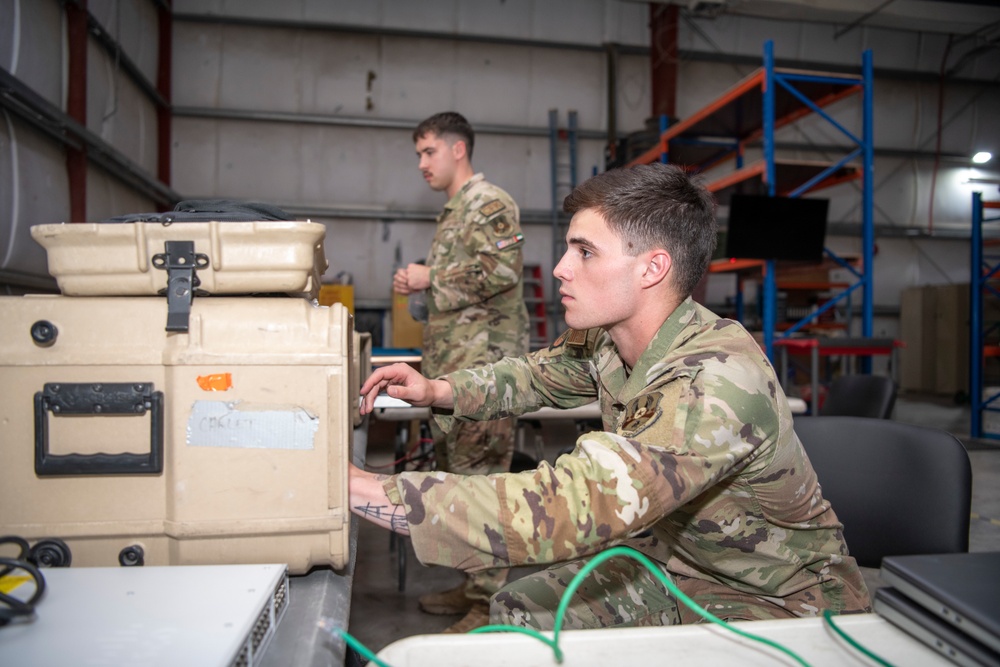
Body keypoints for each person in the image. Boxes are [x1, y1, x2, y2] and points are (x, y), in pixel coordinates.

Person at [355, 163, 871, 631]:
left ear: (652, 268)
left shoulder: (715, 382)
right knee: (523, 609)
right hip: (678, 562)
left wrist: (366, 489)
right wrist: (439, 388)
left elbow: (571, 506)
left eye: (584, 251)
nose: (560, 267)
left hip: (778, 600)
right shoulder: (609, 338)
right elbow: (536, 375)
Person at [391, 111, 529, 632]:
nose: (422, 164)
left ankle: (490, 606)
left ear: (457, 150)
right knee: (459, 482)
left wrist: (431, 276)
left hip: (485, 372)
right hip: (455, 372)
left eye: (429, 152)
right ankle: (473, 586)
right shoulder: (454, 211)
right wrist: (424, 285)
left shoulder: (488, 202)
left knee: (483, 486)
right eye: (419, 155)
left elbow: (502, 272)